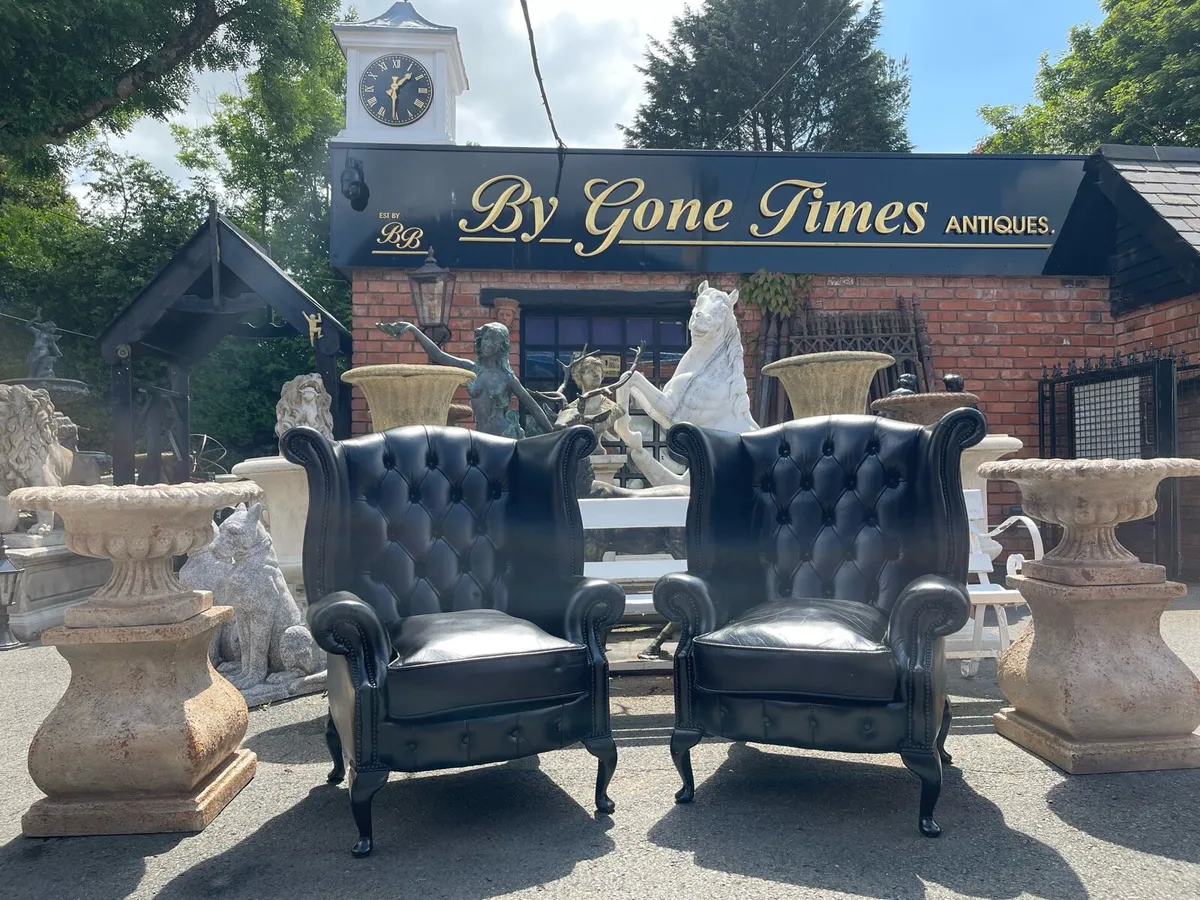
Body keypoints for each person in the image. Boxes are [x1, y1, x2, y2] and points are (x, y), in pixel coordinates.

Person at [377, 320, 553, 438]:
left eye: (493, 341)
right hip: (481, 434)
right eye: (485, 339)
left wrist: (553, 434)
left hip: (505, 435)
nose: (487, 344)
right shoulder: (472, 368)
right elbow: (438, 355)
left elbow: (532, 406)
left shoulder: (507, 377)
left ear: (501, 346)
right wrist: (411, 328)